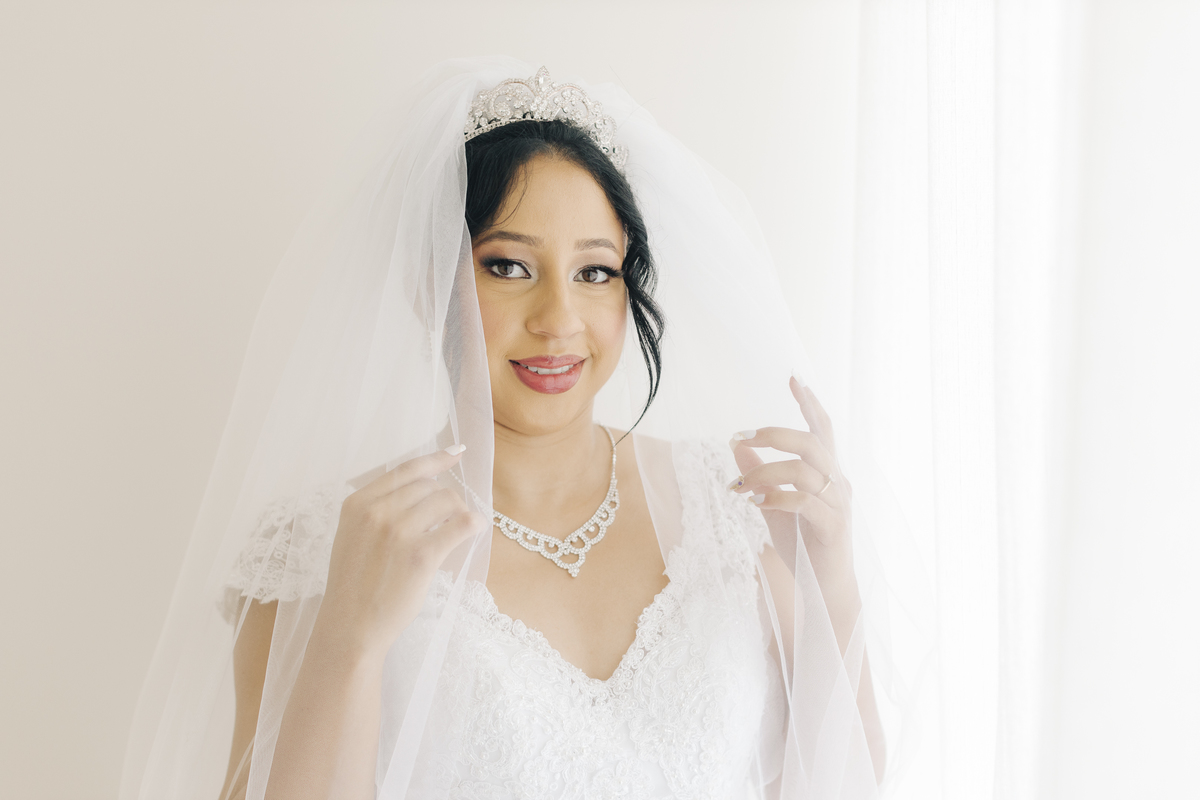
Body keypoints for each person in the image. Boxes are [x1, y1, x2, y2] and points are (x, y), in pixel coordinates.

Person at [121, 59, 896, 800]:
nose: (559, 318)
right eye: (508, 266)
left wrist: (831, 578)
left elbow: (845, 788)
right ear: (431, 280)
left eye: (595, 272)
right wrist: (348, 643)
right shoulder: (321, 546)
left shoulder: (735, 510)